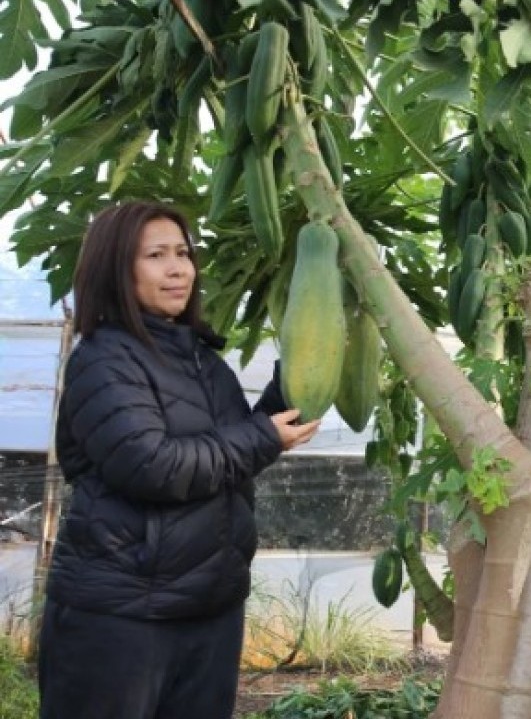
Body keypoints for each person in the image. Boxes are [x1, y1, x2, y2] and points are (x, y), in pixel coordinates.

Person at [38, 202, 320, 718]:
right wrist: (260, 437)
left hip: (210, 609)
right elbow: (151, 466)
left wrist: (295, 380)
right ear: (117, 271)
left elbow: (228, 455)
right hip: (123, 616)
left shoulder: (203, 363)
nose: (178, 269)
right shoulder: (102, 360)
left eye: (184, 254)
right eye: (156, 255)